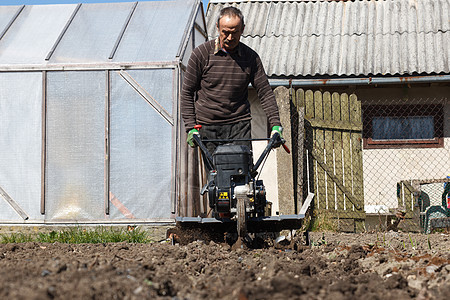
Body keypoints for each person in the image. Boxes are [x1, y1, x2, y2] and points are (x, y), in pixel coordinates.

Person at [181, 6, 282, 156]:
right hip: (208, 127)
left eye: (235, 32)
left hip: (239, 127)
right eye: (225, 32)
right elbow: (187, 92)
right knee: (216, 175)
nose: (230, 37)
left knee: (242, 173)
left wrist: (275, 125)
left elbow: (265, 92)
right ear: (217, 28)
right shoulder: (201, 54)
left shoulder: (250, 58)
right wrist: (191, 127)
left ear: (242, 29)